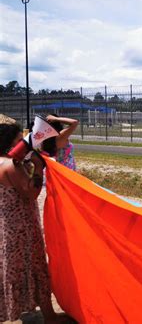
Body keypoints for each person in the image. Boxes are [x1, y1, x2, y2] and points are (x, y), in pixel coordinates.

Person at [0, 116, 69, 323]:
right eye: (18, 138)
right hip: (23, 227)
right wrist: (38, 167)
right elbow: (31, 193)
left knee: (10, 268)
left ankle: (12, 310)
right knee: (35, 266)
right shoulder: (11, 165)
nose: (22, 140)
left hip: (6, 226)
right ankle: (49, 316)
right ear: (11, 142)